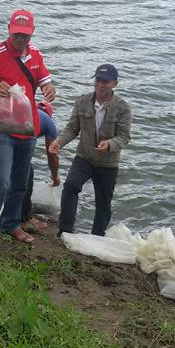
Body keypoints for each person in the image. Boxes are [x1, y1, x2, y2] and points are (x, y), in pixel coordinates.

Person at [0, 9, 55, 254]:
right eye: (17, 35)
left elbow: (45, 81)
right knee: (1, 180)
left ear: (32, 34)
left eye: (25, 35)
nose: (21, 40)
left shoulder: (36, 55)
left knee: (20, 180)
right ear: (9, 30)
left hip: (27, 129)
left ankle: (10, 224)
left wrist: (50, 88)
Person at [50, 63, 131, 237]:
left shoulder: (123, 107)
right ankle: (65, 230)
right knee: (70, 186)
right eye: (98, 80)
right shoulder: (82, 102)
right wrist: (59, 142)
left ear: (114, 83)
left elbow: (124, 137)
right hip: (84, 157)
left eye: (106, 81)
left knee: (103, 202)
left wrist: (109, 144)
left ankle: (97, 236)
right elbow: (72, 129)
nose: (101, 84)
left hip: (108, 162)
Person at [20, 101, 60, 230]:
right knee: (27, 179)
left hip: (2, 139)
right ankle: (24, 218)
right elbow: (52, 154)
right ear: (50, 113)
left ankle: (9, 210)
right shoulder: (49, 123)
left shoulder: (27, 110)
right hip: (18, 142)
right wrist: (55, 177)